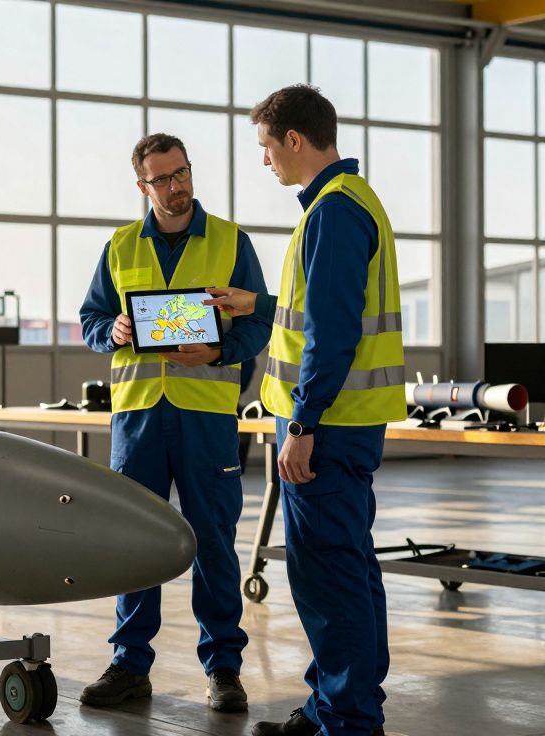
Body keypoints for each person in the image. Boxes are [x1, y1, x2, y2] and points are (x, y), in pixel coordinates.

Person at [214, 85, 404, 736]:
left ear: (294, 140)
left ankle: (348, 720)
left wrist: (302, 424)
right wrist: (258, 307)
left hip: (327, 428)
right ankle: (336, 706)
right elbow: (312, 317)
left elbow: (334, 334)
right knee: (344, 568)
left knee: (328, 577)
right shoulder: (339, 203)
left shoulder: (334, 212)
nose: (264, 161)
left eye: (267, 147)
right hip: (337, 422)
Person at [79, 133, 271, 713]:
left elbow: (260, 323)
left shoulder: (231, 241)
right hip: (138, 419)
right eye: (162, 179)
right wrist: (110, 331)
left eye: (182, 173)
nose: (177, 186)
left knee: (213, 539)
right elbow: (90, 319)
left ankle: (225, 669)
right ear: (143, 185)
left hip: (206, 418)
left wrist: (219, 354)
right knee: (134, 541)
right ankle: (130, 665)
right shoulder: (118, 246)